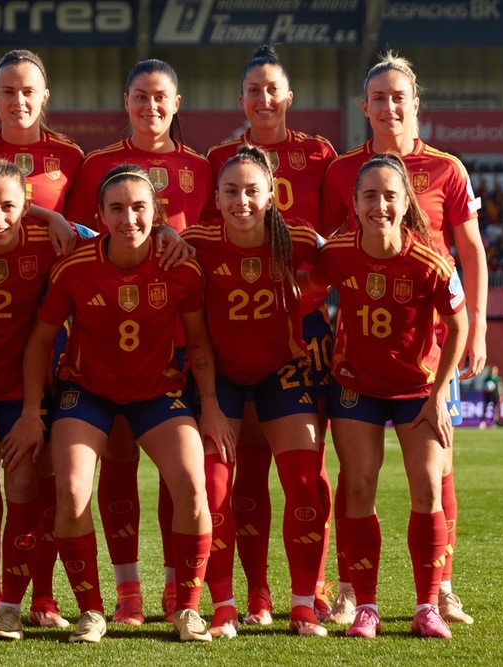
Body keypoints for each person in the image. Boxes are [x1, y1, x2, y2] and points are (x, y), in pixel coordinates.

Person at [7, 164, 234, 644]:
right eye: (117, 208)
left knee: (193, 486)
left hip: (157, 391)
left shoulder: (180, 266)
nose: (128, 217)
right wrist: (32, 413)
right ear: (100, 214)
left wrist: (209, 405)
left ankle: (188, 611)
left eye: (138, 208)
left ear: (156, 214)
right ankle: (91, 611)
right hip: (86, 390)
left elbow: (197, 343)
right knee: (71, 492)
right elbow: (39, 342)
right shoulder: (74, 267)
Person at [320, 52, 487, 626]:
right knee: (356, 479)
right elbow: (325, 257)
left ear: (415, 105)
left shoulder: (447, 168)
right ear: (364, 107)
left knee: (437, 474)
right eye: (379, 98)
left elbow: (471, 253)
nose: (389, 107)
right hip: (364, 347)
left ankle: (439, 589)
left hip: (433, 348)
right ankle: (350, 590)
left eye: (399, 98)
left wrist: (478, 329)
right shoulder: (342, 172)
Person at [64, 58, 217, 625]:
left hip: (179, 335)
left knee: (179, 470)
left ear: (177, 103)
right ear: (125, 101)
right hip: (110, 337)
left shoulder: (203, 167)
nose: (150, 106)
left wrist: (179, 236)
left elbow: (210, 237)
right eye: (139, 96)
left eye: (160, 97)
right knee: (120, 463)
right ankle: (127, 593)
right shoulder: (97, 164)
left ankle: (180, 593)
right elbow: (81, 236)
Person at [306, 153, 467, 639]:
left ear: (405, 203)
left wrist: (439, 395)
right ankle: (367, 607)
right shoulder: (337, 251)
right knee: (358, 488)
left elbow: (457, 327)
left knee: (427, 488)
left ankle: (426, 606)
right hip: (355, 384)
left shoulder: (431, 261)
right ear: (354, 204)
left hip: (417, 389)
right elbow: (302, 290)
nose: (379, 205)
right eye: (369, 196)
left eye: (389, 196)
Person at [0, 49, 84, 628]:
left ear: (45, 95)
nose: (18, 100)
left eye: (28, 90)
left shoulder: (70, 157)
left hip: (48, 337)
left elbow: (87, 235)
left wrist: (58, 222)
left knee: (40, 476)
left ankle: (41, 598)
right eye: (8, 90)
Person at [206, 45, 338, 626]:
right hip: (229, 335)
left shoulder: (319, 155)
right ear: (241, 100)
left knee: (308, 472)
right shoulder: (218, 159)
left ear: (288, 96)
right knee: (237, 475)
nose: (263, 98)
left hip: (300, 334)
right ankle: (249, 595)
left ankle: (314, 594)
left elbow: (342, 247)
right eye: (252, 90)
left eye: (272, 89)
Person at [182, 145, 328, 638]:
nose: (241, 200)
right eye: (230, 191)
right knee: (216, 490)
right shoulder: (197, 240)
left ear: (271, 196)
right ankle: (224, 605)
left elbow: (349, 264)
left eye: (251, 190)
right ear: (216, 198)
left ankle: (304, 604)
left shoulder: (300, 239)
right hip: (218, 378)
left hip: (281, 372)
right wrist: (206, 404)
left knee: (306, 484)